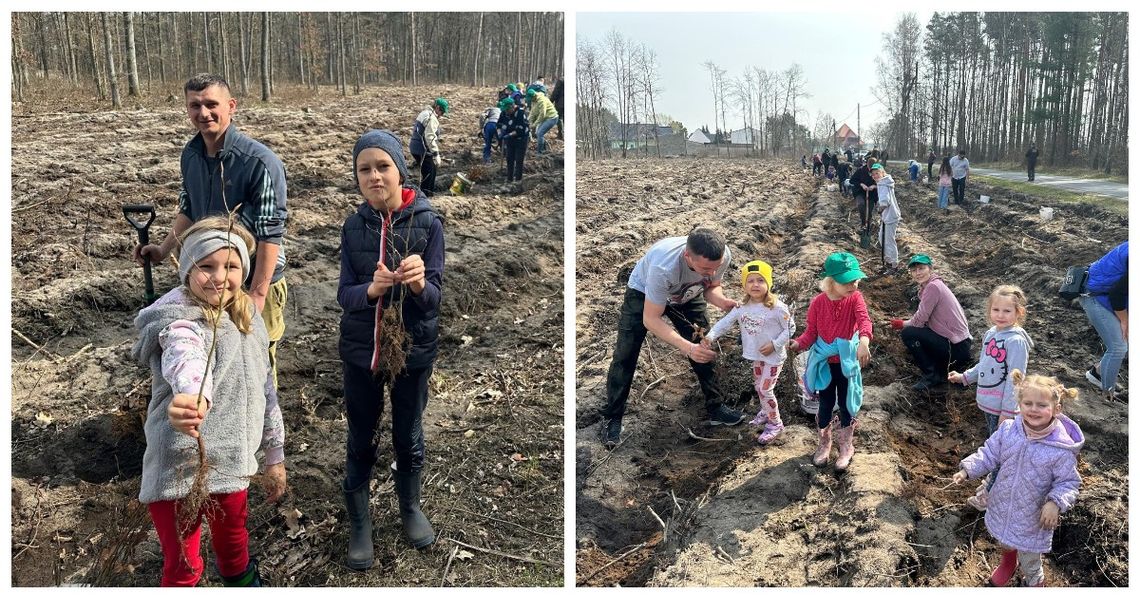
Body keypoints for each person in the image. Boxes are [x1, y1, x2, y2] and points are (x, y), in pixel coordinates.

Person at [131, 217, 286, 587]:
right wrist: (191, 395)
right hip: (182, 465)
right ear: (187, 270)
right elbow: (187, 357)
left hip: (233, 461)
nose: (219, 277)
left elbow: (266, 392)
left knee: (234, 544)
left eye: (231, 266)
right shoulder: (181, 320)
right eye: (206, 266)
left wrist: (274, 456)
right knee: (184, 563)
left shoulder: (249, 318)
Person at [132, 73, 289, 386]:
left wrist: (257, 294)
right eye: (195, 105)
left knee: (253, 357)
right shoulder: (190, 155)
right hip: (207, 278)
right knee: (212, 352)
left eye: (211, 104)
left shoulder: (259, 161)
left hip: (252, 278)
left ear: (231, 106)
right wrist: (162, 250)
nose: (203, 113)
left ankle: (259, 424)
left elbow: (271, 232)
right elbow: (189, 208)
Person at [339, 130, 445, 566]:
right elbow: (344, 295)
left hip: (412, 351)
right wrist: (371, 290)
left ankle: (410, 507)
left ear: (400, 171)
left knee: (408, 431)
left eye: (382, 166)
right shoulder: (353, 226)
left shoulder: (428, 222)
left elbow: (436, 298)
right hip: (361, 351)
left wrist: (419, 283)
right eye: (365, 169)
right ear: (357, 178)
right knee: (361, 434)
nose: (374, 176)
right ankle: (360, 524)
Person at [599, 229, 746, 448]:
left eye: (716, 267)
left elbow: (711, 287)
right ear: (688, 256)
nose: (711, 272)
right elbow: (651, 319)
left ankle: (716, 408)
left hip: (687, 294)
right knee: (626, 354)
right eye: (706, 269)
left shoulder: (720, 256)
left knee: (703, 344)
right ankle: (613, 417)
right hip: (643, 294)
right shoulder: (663, 267)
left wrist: (723, 302)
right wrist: (687, 347)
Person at [953, 370, 1083, 587]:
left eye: (1041, 405)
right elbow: (989, 453)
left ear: (1056, 409)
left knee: (1030, 555)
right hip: (1003, 503)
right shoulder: (1008, 430)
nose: (1034, 409)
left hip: (1033, 516)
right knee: (1004, 540)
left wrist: (1055, 503)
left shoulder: (1061, 449)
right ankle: (1007, 563)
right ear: (1019, 404)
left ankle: (1035, 580)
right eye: (1028, 403)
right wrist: (967, 469)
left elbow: (1068, 482)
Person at [949, 285, 1033, 511]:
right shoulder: (991, 334)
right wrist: (965, 377)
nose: (1000, 315)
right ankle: (993, 482)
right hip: (988, 404)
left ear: (1019, 313)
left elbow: (1016, 379)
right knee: (994, 445)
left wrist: (1008, 411)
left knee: (998, 451)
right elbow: (985, 365)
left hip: (1002, 409)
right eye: (996, 310)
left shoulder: (1015, 341)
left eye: (1007, 311)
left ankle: (990, 494)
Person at [788, 252, 873, 471]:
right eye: (847, 281)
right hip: (825, 363)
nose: (853, 285)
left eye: (855, 280)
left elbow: (864, 320)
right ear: (830, 281)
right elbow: (811, 333)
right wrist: (798, 344)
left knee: (846, 404)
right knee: (825, 405)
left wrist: (864, 341)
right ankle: (824, 443)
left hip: (846, 362)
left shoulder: (855, 298)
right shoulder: (818, 303)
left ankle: (846, 446)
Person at [702, 260, 795, 445]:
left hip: (774, 357)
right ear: (744, 285)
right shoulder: (741, 307)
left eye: (760, 280)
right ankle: (765, 410)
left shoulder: (777, 308)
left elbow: (790, 328)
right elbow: (725, 322)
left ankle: (775, 423)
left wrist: (775, 344)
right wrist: (710, 336)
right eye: (750, 280)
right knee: (758, 385)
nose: (755, 284)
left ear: (768, 283)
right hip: (756, 356)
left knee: (765, 388)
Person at [885, 254, 973, 391]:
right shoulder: (932, 286)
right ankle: (939, 368)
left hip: (958, 348)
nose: (918, 273)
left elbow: (920, 321)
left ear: (930, 268)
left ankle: (932, 375)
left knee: (908, 333)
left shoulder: (933, 287)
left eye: (921, 268)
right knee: (919, 333)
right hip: (959, 344)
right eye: (914, 270)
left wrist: (901, 324)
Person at [1080, 241, 1127, 396]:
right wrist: (1125, 320)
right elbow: (1116, 295)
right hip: (1095, 295)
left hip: (1110, 294)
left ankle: (1097, 373)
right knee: (1118, 347)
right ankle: (1108, 395)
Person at [409, 97, 449, 197]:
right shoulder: (431, 117)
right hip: (421, 149)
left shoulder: (424, 113)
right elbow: (429, 136)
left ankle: (427, 194)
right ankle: (425, 197)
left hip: (415, 148)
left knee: (431, 171)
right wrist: (436, 154)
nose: (442, 115)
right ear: (438, 108)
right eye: (442, 112)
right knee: (429, 174)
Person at [871, 163, 901, 273]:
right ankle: (888, 262)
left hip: (890, 216)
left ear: (883, 172)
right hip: (888, 216)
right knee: (882, 239)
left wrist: (879, 209)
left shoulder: (883, 184)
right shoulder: (884, 182)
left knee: (888, 241)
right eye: (873, 174)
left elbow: (885, 201)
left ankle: (893, 266)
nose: (875, 175)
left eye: (877, 173)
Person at [497, 97, 528, 182]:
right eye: (505, 110)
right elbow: (499, 125)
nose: (506, 112)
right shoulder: (503, 113)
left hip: (520, 139)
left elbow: (520, 129)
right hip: (509, 139)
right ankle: (509, 179)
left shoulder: (520, 113)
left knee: (518, 160)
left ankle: (518, 181)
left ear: (512, 106)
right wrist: (500, 133)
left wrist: (509, 135)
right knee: (509, 159)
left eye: (507, 109)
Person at [526, 88, 560, 155]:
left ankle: (539, 153)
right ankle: (544, 150)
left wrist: (534, 125)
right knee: (538, 132)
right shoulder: (534, 101)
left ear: (534, 96)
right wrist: (528, 121)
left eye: (531, 98)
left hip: (552, 118)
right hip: (545, 118)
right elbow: (532, 113)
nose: (530, 100)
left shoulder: (541, 100)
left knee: (540, 133)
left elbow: (542, 114)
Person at [851, 160, 877, 230]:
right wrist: (861, 184)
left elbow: (882, 182)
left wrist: (874, 186)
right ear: (867, 165)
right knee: (861, 204)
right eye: (869, 168)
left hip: (872, 194)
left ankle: (868, 227)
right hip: (860, 192)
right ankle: (863, 223)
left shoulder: (878, 172)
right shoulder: (861, 170)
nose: (870, 170)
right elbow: (852, 180)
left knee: (869, 212)